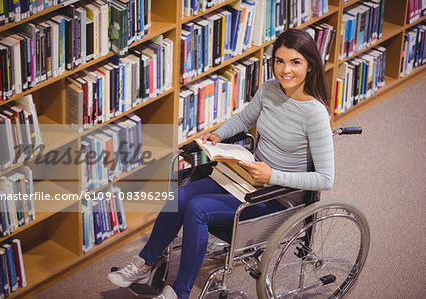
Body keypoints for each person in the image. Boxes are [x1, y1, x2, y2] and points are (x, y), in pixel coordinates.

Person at [107, 28, 334, 299]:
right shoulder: (270, 90)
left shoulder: (315, 114)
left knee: (198, 208)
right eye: (279, 61)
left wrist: (272, 173)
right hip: (247, 180)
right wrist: (218, 135)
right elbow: (243, 119)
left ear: (310, 65)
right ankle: (145, 264)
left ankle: (180, 293)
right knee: (181, 195)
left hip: (277, 199)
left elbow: (325, 179)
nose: (285, 70)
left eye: (295, 62)